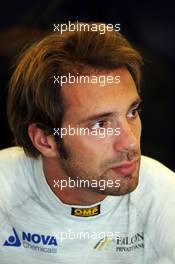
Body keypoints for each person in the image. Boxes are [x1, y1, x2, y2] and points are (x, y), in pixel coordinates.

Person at [0, 22, 174, 264]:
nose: (130, 143)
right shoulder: (4, 188)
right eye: (99, 124)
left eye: (132, 112)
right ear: (45, 140)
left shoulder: (165, 198)